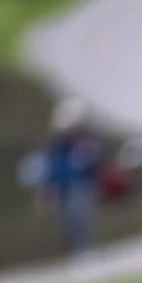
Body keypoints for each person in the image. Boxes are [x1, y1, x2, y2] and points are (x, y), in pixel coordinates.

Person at [33, 98, 103, 262]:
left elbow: (93, 162)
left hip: (80, 186)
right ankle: (76, 252)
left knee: (82, 218)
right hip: (62, 188)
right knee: (67, 222)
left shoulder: (84, 141)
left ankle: (87, 250)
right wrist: (47, 190)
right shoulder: (56, 145)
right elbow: (52, 168)